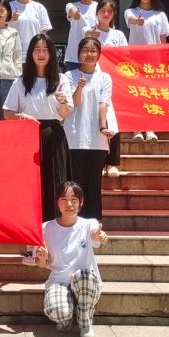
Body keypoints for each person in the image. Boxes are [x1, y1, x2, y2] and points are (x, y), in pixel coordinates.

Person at [4, 34, 73, 223]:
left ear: (52, 54)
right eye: (37, 50)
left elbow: (65, 113)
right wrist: (22, 117)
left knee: (55, 181)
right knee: (29, 183)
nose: (41, 54)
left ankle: (54, 227)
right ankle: (29, 228)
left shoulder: (61, 80)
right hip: (28, 135)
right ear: (31, 53)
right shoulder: (20, 81)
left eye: (45, 50)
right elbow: (7, 112)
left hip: (54, 135)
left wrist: (63, 102)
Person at [31, 181, 108, 337]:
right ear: (57, 201)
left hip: (85, 283)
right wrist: (42, 258)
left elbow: (95, 234)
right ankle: (66, 319)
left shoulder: (89, 224)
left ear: (81, 202)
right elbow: (41, 264)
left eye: (74, 199)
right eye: (64, 199)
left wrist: (98, 236)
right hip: (59, 281)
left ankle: (85, 321)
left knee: (84, 276)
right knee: (58, 312)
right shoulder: (46, 228)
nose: (69, 204)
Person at [65, 38, 116, 220]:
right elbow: (74, 103)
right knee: (75, 185)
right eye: (85, 50)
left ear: (99, 54)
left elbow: (103, 104)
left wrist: (102, 127)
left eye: (93, 50)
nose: (89, 54)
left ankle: (94, 225)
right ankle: (73, 222)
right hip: (74, 138)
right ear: (78, 53)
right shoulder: (69, 76)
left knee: (94, 185)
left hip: (96, 140)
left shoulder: (104, 78)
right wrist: (79, 87)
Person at [84, 0, 126, 176]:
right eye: (102, 10)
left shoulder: (119, 35)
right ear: (97, 13)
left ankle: (112, 162)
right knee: (96, 120)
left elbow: (125, 57)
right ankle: (99, 161)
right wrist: (90, 36)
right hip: (93, 81)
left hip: (115, 82)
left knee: (113, 121)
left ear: (114, 14)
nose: (106, 14)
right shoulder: (89, 32)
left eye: (109, 11)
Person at [125, 0, 169, 141]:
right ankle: (136, 129)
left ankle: (151, 128)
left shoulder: (160, 15)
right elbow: (130, 20)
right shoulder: (131, 11)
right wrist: (137, 21)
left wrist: (165, 62)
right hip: (135, 61)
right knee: (136, 95)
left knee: (151, 95)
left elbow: (163, 39)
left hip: (154, 62)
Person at [9, 0, 52, 64]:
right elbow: (1, 29)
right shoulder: (8, 7)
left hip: (34, 56)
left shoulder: (39, 7)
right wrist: (10, 20)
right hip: (13, 56)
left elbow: (43, 35)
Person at [63, 0, 98, 71]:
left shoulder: (100, 7)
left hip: (94, 56)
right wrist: (76, 14)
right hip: (74, 57)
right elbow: (74, 13)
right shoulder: (71, 5)